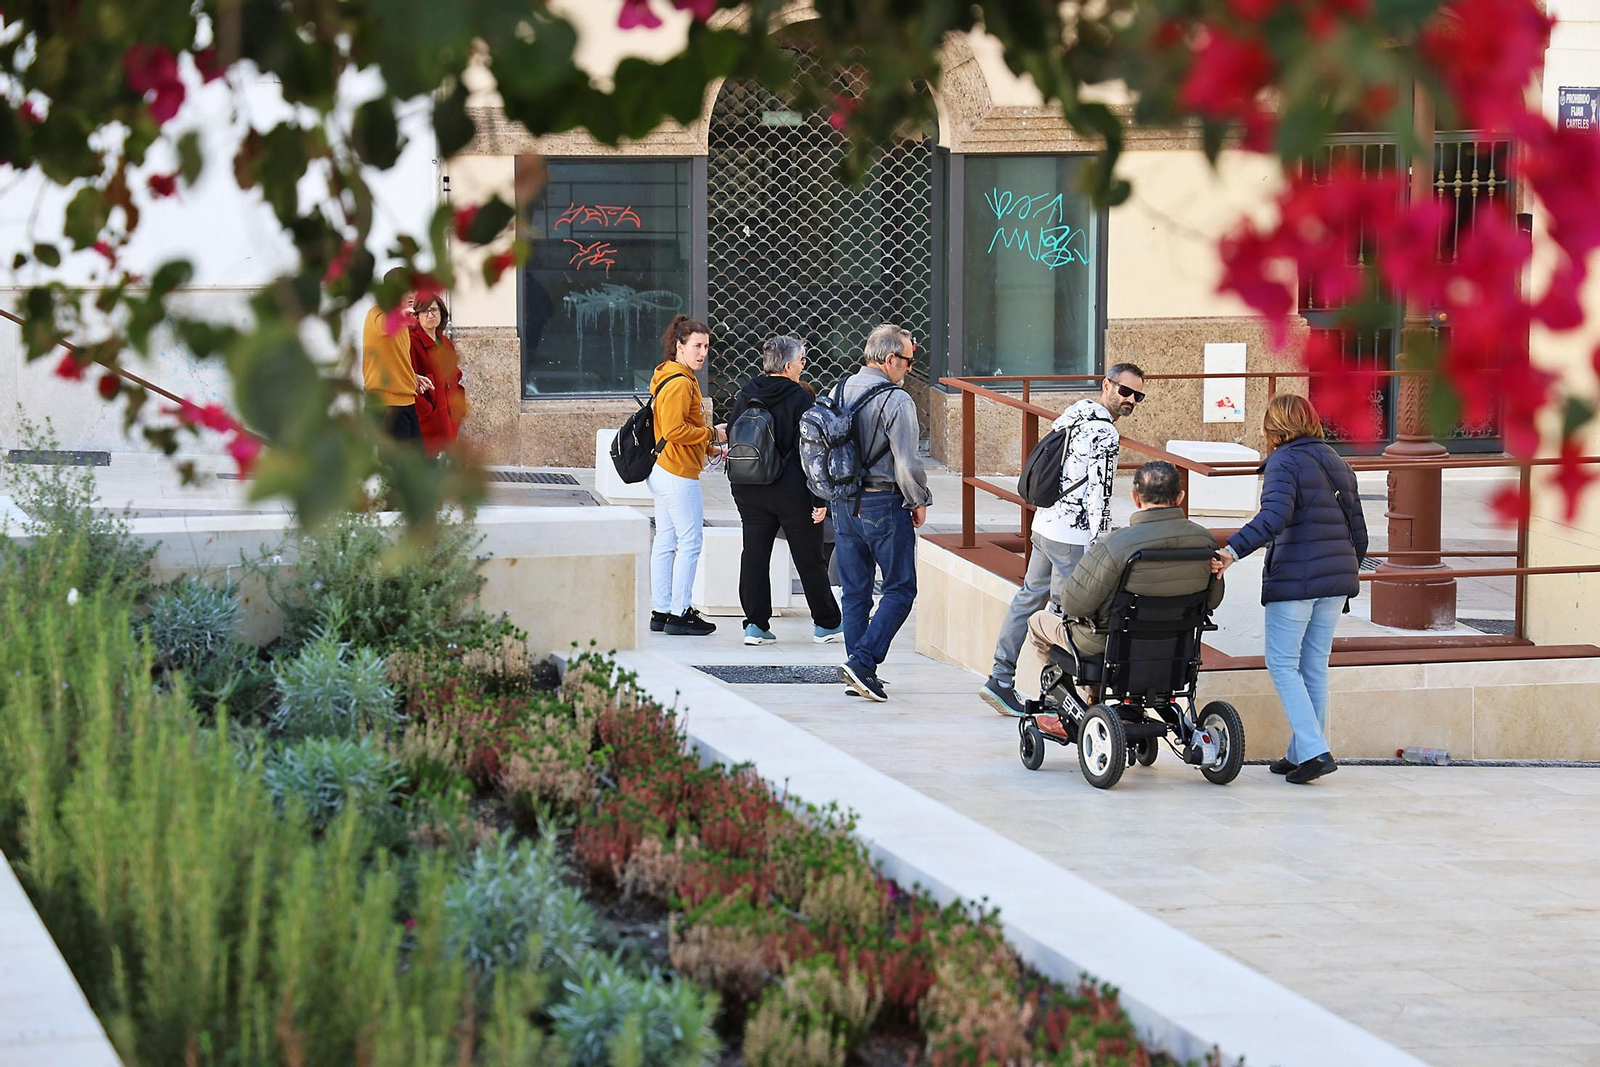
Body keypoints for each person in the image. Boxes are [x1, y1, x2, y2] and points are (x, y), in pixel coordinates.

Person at [1212, 394, 1367, 785]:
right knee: (1313, 666)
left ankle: (1314, 751)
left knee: (1282, 663)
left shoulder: (1284, 461)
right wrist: (1344, 570)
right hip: (1336, 579)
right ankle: (1301, 753)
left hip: (1297, 579)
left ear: (1274, 426)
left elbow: (1274, 517)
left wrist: (1232, 551)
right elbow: (1359, 531)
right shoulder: (1337, 461)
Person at [980, 363, 1147, 716]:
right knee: (1068, 617)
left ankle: (1000, 678)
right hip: (1071, 536)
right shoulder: (1105, 433)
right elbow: (1099, 494)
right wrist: (1101, 545)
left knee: (1028, 599)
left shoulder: (1074, 414)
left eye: (1138, 396)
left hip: (1044, 525)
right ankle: (1060, 701)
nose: (1130, 400)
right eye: (1125, 391)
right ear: (1107, 385)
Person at [1014, 461, 1224, 740]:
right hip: (1176, 647)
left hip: (1112, 645)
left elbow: (1075, 604)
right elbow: (1212, 600)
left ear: (1135, 497)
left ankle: (1054, 709)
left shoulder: (1117, 544)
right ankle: (1102, 706)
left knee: (1039, 622)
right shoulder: (1204, 541)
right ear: (1180, 497)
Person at [833, 324, 932, 702]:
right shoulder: (897, 400)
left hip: (843, 503)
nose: (909, 367)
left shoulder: (838, 389)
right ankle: (863, 662)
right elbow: (907, 461)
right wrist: (918, 499)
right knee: (901, 589)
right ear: (890, 359)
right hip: (882, 501)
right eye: (908, 360)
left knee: (855, 592)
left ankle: (857, 668)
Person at [724, 336, 844, 646]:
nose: (803, 366)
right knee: (808, 556)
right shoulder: (800, 398)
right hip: (791, 491)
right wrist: (819, 498)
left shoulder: (746, 393)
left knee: (754, 554)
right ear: (789, 366)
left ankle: (755, 625)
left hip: (749, 487)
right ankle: (826, 623)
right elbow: (811, 452)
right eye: (802, 361)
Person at [648, 314, 725, 637]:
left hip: (665, 469)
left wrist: (708, 448)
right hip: (677, 472)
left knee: (666, 540)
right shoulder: (680, 382)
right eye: (696, 345)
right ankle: (680, 613)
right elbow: (675, 430)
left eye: (706, 346)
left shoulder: (673, 375)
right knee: (690, 542)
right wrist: (712, 434)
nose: (702, 353)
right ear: (679, 345)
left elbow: (680, 428)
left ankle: (661, 610)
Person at [362, 267, 434, 443]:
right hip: (386, 407)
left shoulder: (402, 324)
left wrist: (412, 376)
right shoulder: (376, 313)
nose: (411, 295)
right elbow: (384, 325)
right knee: (396, 461)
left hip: (407, 403)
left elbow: (394, 358)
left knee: (416, 459)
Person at [408, 292, 469, 455]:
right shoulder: (412, 343)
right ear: (417, 315)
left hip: (449, 420)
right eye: (425, 311)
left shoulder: (446, 344)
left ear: (441, 313)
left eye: (434, 310)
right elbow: (409, 381)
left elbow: (456, 376)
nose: (430, 315)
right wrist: (428, 414)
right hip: (428, 424)